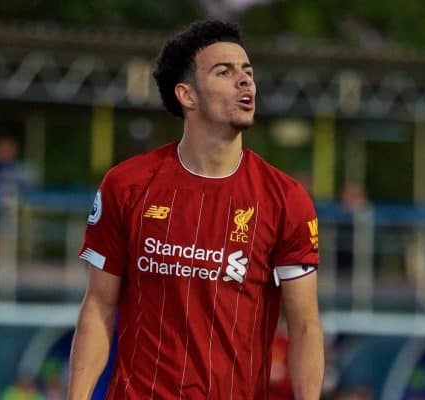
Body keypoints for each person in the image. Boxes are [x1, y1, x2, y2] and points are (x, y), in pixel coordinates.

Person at [68, 20, 324, 399]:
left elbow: (304, 326)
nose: (245, 82)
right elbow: (98, 306)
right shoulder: (127, 185)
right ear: (187, 95)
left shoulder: (286, 198)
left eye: (248, 72)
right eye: (225, 71)